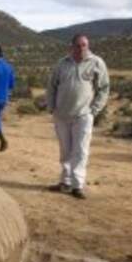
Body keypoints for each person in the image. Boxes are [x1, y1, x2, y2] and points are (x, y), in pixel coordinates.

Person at [46, 34, 109, 199]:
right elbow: (52, 86)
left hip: (83, 115)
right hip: (61, 115)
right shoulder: (62, 64)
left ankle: (77, 185)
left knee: (80, 150)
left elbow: (104, 88)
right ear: (72, 46)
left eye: (84, 45)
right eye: (78, 45)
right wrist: (51, 107)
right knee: (65, 151)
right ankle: (65, 182)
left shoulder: (96, 63)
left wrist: (94, 109)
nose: (82, 49)